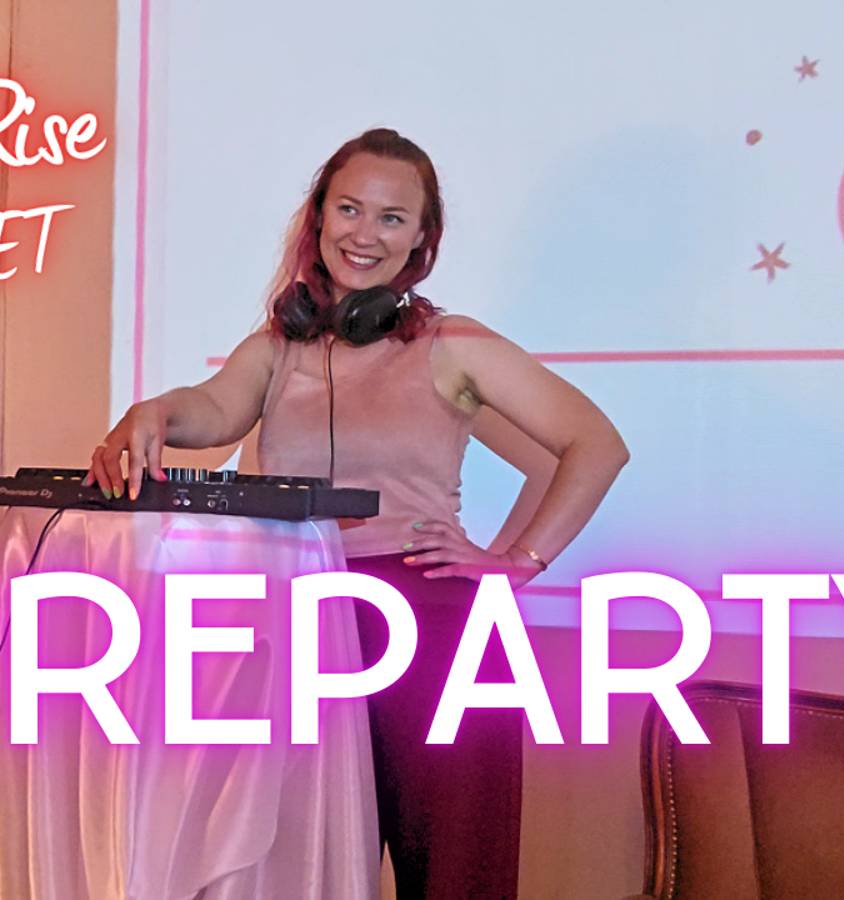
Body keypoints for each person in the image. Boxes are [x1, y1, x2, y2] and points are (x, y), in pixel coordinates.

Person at [85, 127, 629, 899]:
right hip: (299, 628)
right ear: (318, 217)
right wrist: (156, 412)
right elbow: (213, 409)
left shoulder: (451, 343)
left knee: (456, 874)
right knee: (301, 872)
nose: (364, 233)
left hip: (430, 628)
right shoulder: (277, 349)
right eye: (349, 208)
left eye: (391, 217)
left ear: (421, 240)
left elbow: (596, 444)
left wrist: (518, 561)